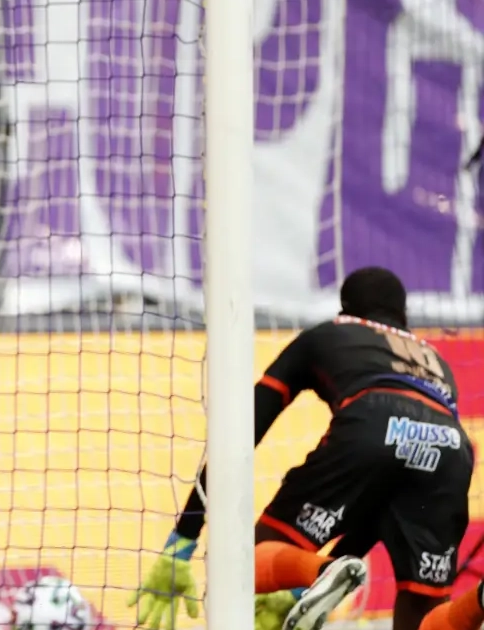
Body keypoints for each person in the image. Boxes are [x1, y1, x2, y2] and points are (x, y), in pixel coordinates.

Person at [127, 267, 472, 630]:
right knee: (423, 612)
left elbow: (241, 435)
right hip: (451, 450)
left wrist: (183, 539)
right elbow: (381, 500)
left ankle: (318, 574)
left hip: (373, 421)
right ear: (403, 315)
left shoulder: (327, 335)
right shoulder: (438, 365)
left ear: (345, 309)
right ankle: (469, 598)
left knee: (244, 568)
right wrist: (319, 579)